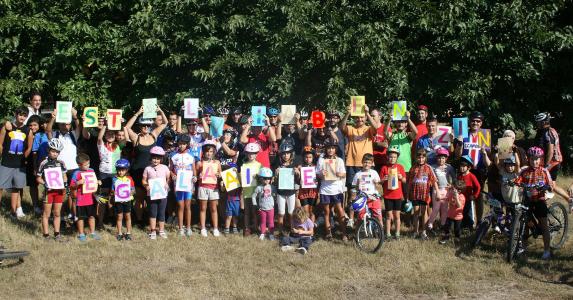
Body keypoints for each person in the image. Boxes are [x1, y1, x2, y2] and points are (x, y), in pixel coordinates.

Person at [515, 146, 560, 259]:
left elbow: (550, 184)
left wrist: (546, 187)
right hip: (527, 200)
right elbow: (518, 180)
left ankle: (546, 250)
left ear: (540, 159)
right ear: (528, 159)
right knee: (524, 225)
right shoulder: (524, 171)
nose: (534, 161)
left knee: (544, 225)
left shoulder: (544, 171)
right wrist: (514, 183)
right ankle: (523, 248)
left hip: (539, 200)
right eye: (532, 159)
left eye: (537, 159)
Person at [125, 105, 167, 224]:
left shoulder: (154, 134)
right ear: (140, 126)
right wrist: (138, 113)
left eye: (148, 125)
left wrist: (160, 111)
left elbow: (165, 123)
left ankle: (151, 219)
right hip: (138, 171)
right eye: (144, 125)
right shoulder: (136, 138)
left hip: (152, 172)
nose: (146, 127)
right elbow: (127, 127)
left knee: (151, 198)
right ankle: (139, 219)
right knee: (139, 198)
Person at [46, 106, 84, 221]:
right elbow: (47, 131)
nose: (65, 126)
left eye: (68, 124)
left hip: (73, 168)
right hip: (59, 169)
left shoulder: (73, 134)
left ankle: (73, 215)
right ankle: (60, 216)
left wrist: (75, 116)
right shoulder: (55, 134)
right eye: (63, 124)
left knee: (73, 194)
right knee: (60, 193)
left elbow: (80, 127)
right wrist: (52, 118)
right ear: (59, 124)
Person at [339, 104, 381, 206]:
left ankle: (366, 214)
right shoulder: (350, 128)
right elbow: (341, 127)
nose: (359, 119)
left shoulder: (368, 129)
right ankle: (352, 218)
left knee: (369, 190)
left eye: (362, 117)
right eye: (357, 117)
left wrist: (367, 112)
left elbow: (376, 127)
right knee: (352, 192)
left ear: (366, 118)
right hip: (352, 164)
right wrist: (348, 113)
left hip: (367, 165)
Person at [454, 111, 489, 225]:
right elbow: (457, 156)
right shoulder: (463, 134)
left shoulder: (484, 136)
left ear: (481, 123)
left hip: (479, 170)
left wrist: (485, 154)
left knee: (478, 196)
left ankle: (479, 221)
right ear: (469, 122)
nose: (475, 123)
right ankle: (463, 220)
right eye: (473, 120)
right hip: (465, 170)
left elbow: (487, 157)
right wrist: (459, 144)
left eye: (478, 121)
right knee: (463, 194)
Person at [0, 106, 30, 218]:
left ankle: (13, 212)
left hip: (19, 165)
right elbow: (0, 143)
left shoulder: (28, 130)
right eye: (20, 114)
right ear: (16, 114)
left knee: (16, 188)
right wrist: (4, 155)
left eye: (24, 115)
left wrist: (23, 158)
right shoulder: (7, 127)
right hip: (6, 162)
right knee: (0, 186)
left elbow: (29, 148)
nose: (22, 117)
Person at [36, 138, 67, 240]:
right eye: (53, 151)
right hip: (49, 192)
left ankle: (57, 233)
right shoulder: (43, 163)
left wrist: (66, 184)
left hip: (59, 191)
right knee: (46, 213)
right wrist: (45, 184)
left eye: (57, 152)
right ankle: (46, 234)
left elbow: (64, 176)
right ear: (49, 150)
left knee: (57, 213)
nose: (55, 154)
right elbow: (38, 178)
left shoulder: (61, 163)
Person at [316, 139, 347, 240]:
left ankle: (344, 233)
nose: (330, 150)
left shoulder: (339, 160)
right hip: (325, 189)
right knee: (327, 211)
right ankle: (328, 233)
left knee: (339, 210)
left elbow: (344, 174)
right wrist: (322, 174)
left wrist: (339, 174)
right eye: (329, 148)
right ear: (326, 149)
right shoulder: (321, 160)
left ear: (335, 149)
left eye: (332, 148)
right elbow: (318, 174)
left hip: (337, 189)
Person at [70, 153, 101, 241]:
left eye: (89, 164)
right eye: (86, 164)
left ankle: (92, 232)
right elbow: (71, 186)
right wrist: (78, 183)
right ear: (79, 165)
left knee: (92, 216)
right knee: (81, 217)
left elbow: (93, 181)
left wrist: (97, 182)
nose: (88, 166)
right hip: (81, 200)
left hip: (91, 199)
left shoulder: (91, 170)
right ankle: (81, 234)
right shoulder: (76, 173)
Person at [407, 149, 438, 239]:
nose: (421, 159)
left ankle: (424, 232)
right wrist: (407, 195)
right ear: (416, 158)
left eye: (422, 157)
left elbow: (434, 181)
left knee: (424, 213)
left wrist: (438, 192)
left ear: (425, 158)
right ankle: (415, 231)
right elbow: (409, 183)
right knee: (416, 212)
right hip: (415, 194)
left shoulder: (428, 168)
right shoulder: (413, 168)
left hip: (425, 195)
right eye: (419, 157)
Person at [169, 134, 196, 237]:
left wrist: (195, 177)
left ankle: (188, 227)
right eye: (180, 144)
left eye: (184, 144)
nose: (181, 146)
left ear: (187, 145)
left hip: (188, 185)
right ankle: (180, 228)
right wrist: (173, 175)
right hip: (178, 185)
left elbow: (194, 171)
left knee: (188, 206)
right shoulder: (174, 156)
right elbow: (170, 170)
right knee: (180, 206)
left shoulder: (191, 156)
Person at [142, 146, 171, 239]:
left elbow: (168, 178)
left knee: (162, 212)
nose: (155, 160)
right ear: (151, 158)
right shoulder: (147, 168)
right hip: (151, 194)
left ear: (161, 159)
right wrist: (146, 186)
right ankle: (153, 230)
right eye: (154, 158)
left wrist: (167, 183)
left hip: (163, 194)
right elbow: (143, 180)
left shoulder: (165, 168)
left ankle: (161, 230)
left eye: (158, 158)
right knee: (153, 212)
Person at [273, 142, 301, 234]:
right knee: (281, 213)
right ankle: (280, 231)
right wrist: (276, 175)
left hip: (291, 193)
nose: (286, 155)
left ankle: (292, 230)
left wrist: (298, 173)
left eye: (288, 153)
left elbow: (298, 180)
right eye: (284, 153)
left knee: (291, 213)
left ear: (291, 154)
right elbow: (275, 182)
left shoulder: (294, 164)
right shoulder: (278, 164)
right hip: (281, 192)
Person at [96, 125, 121, 227]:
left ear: (115, 136)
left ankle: (114, 219)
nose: (110, 136)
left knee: (115, 197)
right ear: (105, 135)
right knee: (103, 198)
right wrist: (105, 125)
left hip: (116, 173)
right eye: (108, 134)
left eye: (112, 134)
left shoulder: (119, 145)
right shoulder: (101, 145)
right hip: (104, 173)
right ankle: (100, 222)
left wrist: (120, 124)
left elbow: (126, 137)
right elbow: (99, 138)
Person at [380, 146, 407, 240]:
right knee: (388, 215)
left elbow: (404, 181)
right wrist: (383, 179)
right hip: (388, 195)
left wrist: (401, 177)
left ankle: (397, 233)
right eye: (390, 157)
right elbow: (380, 182)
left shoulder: (400, 167)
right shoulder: (384, 168)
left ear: (397, 158)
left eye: (394, 157)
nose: (392, 159)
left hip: (398, 196)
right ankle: (387, 233)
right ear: (387, 157)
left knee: (397, 215)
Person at [196, 141, 222, 237]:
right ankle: (203, 228)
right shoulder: (200, 163)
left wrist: (219, 175)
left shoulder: (217, 162)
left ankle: (215, 228)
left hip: (214, 188)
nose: (209, 153)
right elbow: (196, 177)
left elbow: (220, 174)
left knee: (214, 208)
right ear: (203, 152)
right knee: (203, 208)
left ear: (214, 152)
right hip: (202, 187)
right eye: (207, 151)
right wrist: (199, 176)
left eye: (211, 151)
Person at [349, 153, 383, 226]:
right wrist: (353, 195)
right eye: (365, 162)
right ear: (362, 162)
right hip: (362, 197)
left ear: (372, 164)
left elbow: (379, 186)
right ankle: (358, 232)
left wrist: (376, 183)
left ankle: (380, 231)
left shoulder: (374, 172)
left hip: (373, 197)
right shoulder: (358, 174)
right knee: (361, 217)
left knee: (378, 216)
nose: (367, 164)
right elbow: (354, 187)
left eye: (369, 163)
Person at [427, 147, 455, 231]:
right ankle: (430, 224)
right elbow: (431, 177)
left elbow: (454, 178)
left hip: (446, 190)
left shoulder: (449, 167)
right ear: (436, 158)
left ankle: (443, 225)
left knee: (445, 209)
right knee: (435, 208)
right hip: (437, 190)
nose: (441, 160)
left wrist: (452, 185)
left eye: (443, 158)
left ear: (446, 158)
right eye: (439, 157)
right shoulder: (433, 167)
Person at [24, 114, 48, 215]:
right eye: (30, 125)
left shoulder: (43, 135)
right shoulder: (26, 134)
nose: (32, 127)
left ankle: (45, 205)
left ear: (40, 125)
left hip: (43, 163)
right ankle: (35, 205)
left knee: (46, 184)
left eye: (35, 125)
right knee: (33, 185)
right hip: (31, 162)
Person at [240, 143, 262, 236]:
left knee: (255, 211)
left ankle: (256, 227)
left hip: (256, 193)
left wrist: (258, 177)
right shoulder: (243, 166)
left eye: (253, 153)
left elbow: (262, 180)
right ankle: (247, 228)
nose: (251, 155)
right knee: (247, 212)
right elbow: (241, 179)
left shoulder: (259, 165)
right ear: (246, 154)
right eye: (249, 153)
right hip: (246, 192)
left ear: (256, 154)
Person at [112, 159, 135, 241]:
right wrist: (114, 193)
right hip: (118, 201)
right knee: (119, 217)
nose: (120, 172)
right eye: (118, 170)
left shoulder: (129, 179)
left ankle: (128, 233)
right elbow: (112, 190)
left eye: (122, 170)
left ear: (127, 170)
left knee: (128, 216)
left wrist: (130, 193)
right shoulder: (114, 179)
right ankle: (120, 233)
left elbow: (133, 190)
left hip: (127, 201)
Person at [534, 113, 562, 180]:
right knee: (551, 185)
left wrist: (546, 166)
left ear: (543, 122)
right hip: (555, 161)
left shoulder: (547, 132)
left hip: (552, 162)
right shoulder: (550, 130)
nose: (537, 124)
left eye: (538, 122)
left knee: (544, 183)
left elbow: (550, 150)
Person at [252, 167, 276, 241]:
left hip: (270, 208)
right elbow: (253, 196)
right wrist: (255, 205)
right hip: (262, 208)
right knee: (263, 221)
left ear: (271, 179)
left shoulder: (272, 187)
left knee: (271, 222)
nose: (266, 180)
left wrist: (275, 204)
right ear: (261, 179)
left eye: (268, 178)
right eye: (265, 178)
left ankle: (271, 234)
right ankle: (262, 233)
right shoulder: (259, 188)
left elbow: (275, 196)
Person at [457, 155, 481, 229]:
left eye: (464, 166)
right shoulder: (459, 176)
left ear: (469, 167)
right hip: (460, 199)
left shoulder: (471, 176)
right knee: (461, 212)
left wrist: (474, 196)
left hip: (468, 199)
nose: (462, 168)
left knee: (469, 213)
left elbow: (478, 187)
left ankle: (471, 226)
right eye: (461, 166)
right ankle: (463, 226)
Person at [439, 180, 466, 244]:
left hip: (458, 217)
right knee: (447, 227)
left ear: (459, 191)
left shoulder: (462, 197)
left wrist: (456, 197)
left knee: (457, 229)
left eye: (454, 188)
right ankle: (446, 237)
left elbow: (459, 206)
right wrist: (440, 198)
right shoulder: (451, 193)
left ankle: (457, 238)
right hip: (450, 215)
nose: (452, 188)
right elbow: (447, 198)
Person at [297, 147, 318, 224]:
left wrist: (317, 178)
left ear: (313, 158)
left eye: (310, 157)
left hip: (313, 191)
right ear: (303, 157)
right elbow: (297, 180)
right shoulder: (300, 167)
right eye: (306, 157)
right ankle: (306, 227)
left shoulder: (316, 167)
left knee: (312, 211)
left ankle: (311, 230)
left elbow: (318, 179)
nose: (308, 159)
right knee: (305, 210)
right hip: (303, 191)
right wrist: (297, 173)